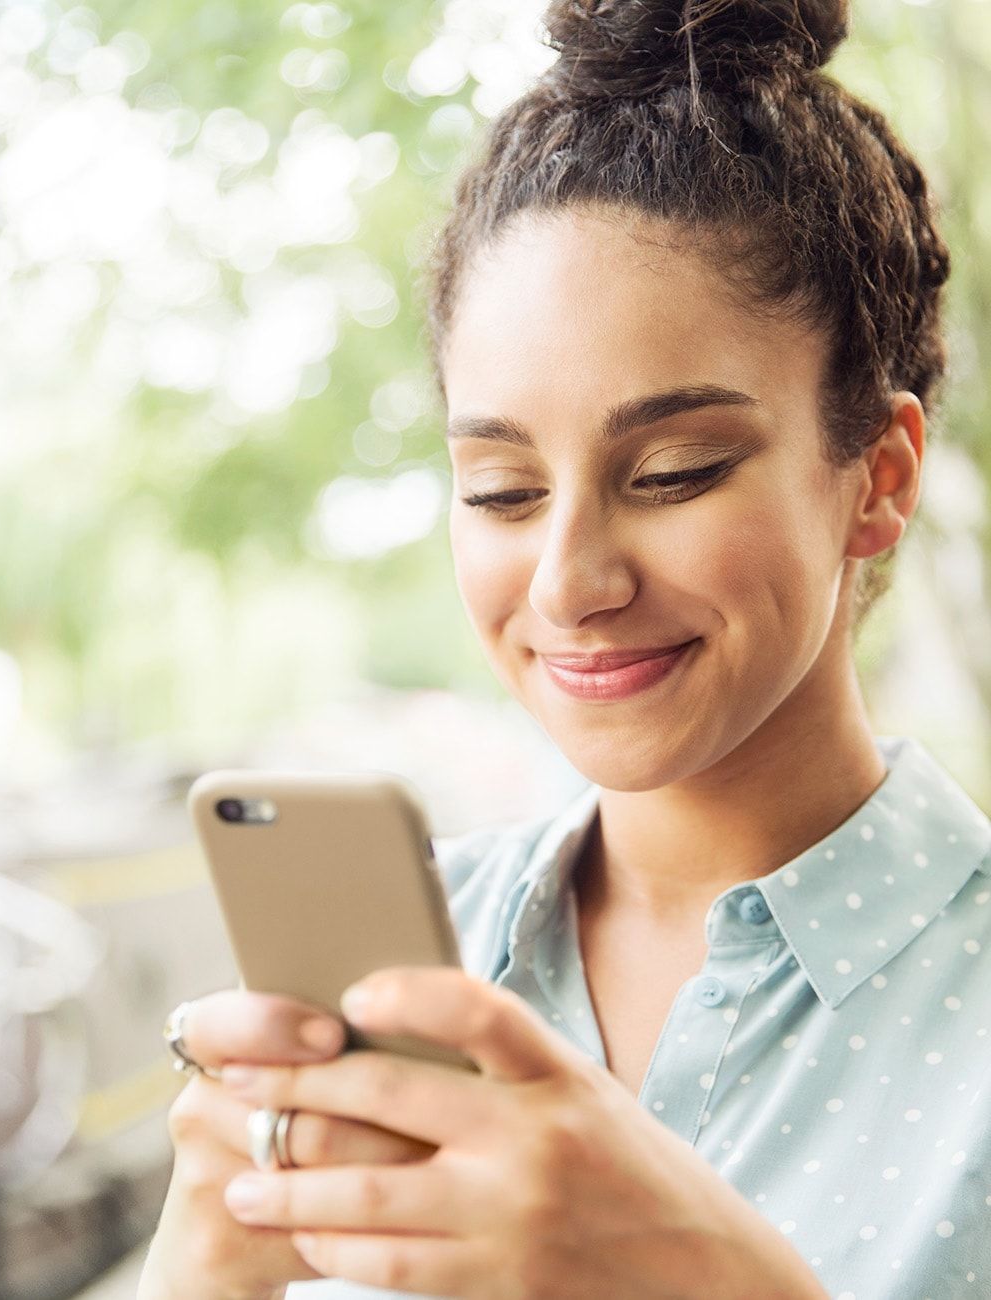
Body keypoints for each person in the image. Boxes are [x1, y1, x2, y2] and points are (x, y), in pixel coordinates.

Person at [138, 0, 991, 1297]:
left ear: (877, 475)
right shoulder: (408, 968)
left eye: (674, 472)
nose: (569, 583)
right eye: (500, 489)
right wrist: (201, 1260)